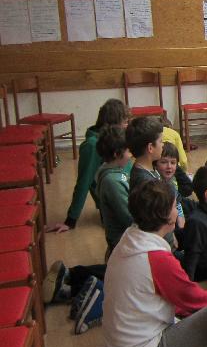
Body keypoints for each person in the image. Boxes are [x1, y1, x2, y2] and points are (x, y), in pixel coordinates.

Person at [103, 181, 207, 347]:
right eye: (175, 206)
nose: (177, 211)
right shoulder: (156, 258)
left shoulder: (131, 238)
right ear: (165, 216)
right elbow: (194, 299)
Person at [48, 98, 131, 233]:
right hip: (118, 204)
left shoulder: (115, 139)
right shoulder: (92, 146)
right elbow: (83, 182)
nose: (127, 126)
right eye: (125, 122)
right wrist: (70, 220)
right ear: (113, 123)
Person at [94, 126, 133, 257]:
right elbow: (128, 217)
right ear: (117, 154)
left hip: (124, 238)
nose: (131, 155)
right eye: (128, 151)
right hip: (122, 241)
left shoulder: (112, 172)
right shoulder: (112, 181)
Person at [155, 141, 193, 229]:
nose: (169, 166)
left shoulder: (171, 183)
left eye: (173, 163)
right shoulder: (155, 185)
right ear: (155, 164)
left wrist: (182, 227)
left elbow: (178, 204)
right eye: (164, 162)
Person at [126, 115, 164, 191]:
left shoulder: (147, 168)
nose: (163, 145)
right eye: (161, 141)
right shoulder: (146, 184)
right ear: (150, 148)